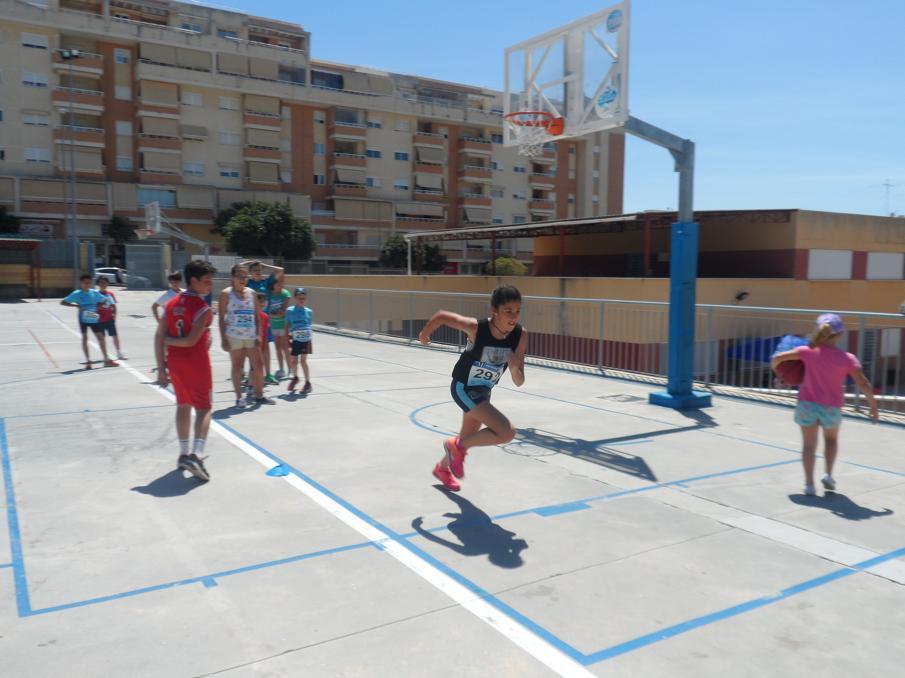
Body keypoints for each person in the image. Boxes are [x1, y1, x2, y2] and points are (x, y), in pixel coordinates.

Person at [418, 284, 527, 491]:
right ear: (494, 312)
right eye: (508, 311)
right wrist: (424, 335)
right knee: (507, 432)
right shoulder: (477, 328)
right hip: (463, 388)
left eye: (517, 311)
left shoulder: (520, 335)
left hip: (483, 393)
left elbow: (519, 381)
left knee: (466, 439)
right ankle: (455, 447)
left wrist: (514, 369)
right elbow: (441, 316)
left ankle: (442, 468)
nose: (514, 317)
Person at [771, 313, 879, 496]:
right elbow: (863, 383)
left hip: (807, 405)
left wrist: (779, 374)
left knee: (808, 446)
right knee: (831, 440)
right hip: (831, 407)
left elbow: (778, 358)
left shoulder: (806, 351)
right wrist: (873, 407)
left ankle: (809, 485)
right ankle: (828, 475)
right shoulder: (847, 358)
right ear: (840, 334)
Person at [155, 259, 216, 482]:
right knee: (204, 408)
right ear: (193, 280)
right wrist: (170, 340)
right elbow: (190, 341)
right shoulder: (203, 308)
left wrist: (161, 368)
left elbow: (157, 336)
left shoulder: (171, 304)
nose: (210, 285)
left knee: (183, 405)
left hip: (175, 363)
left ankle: (182, 454)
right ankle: (197, 455)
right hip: (196, 363)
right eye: (207, 281)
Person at [219, 263, 269, 408]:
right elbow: (221, 318)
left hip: (250, 336)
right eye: (239, 276)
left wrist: (259, 335)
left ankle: (260, 395)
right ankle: (239, 397)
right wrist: (223, 339)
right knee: (237, 366)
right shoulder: (226, 294)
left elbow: (256, 316)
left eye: (244, 276)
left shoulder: (252, 293)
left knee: (258, 365)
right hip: (234, 336)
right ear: (232, 277)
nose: (242, 279)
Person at [60, 274, 118, 368]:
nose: (87, 284)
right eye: (85, 283)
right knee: (85, 338)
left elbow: (104, 300)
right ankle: (88, 361)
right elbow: (63, 302)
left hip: (94, 317)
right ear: (81, 283)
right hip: (83, 318)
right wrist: (76, 306)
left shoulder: (94, 292)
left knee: (101, 338)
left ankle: (106, 360)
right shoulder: (77, 294)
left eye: (89, 283)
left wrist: (100, 305)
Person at [285, 287, 313, 394]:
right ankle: (296, 377)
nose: (302, 300)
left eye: (303, 298)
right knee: (293, 361)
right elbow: (287, 325)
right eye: (299, 298)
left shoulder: (309, 311)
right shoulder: (290, 311)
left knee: (303, 361)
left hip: (306, 338)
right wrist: (287, 337)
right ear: (295, 298)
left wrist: (309, 336)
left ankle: (308, 383)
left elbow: (309, 325)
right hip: (295, 339)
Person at [95, 277, 126, 360]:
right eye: (101, 283)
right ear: (98, 284)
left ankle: (119, 352)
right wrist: (100, 305)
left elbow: (113, 306)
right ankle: (105, 356)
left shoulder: (110, 294)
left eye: (104, 283)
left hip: (109, 319)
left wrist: (114, 315)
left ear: (107, 284)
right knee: (102, 338)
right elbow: (94, 306)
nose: (103, 285)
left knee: (115, 336)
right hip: (99, 320)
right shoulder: (95, 294)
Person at [267, 278, 292, 380]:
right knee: (277, 348)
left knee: (285, 348)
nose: (280, 285)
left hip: (283, 325)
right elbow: (268, 308)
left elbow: (283, 310)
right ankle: (281, 369)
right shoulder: (270, 294)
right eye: (278, 283)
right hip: (273, 324)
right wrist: (273, 314)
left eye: (281, 283)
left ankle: (290, 369)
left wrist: (275, 313)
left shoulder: (285, 294)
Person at [255, 291, 277, 386]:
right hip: (254, 345)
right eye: (260, 301)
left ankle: (266, 376)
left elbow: (265, 333)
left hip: (262, 342)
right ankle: (253, 380)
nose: (262, 304)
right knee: (255, 363)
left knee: (261, 360)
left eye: (263, 302)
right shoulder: (252, 315)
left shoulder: (265, 316)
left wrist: (263, 345)